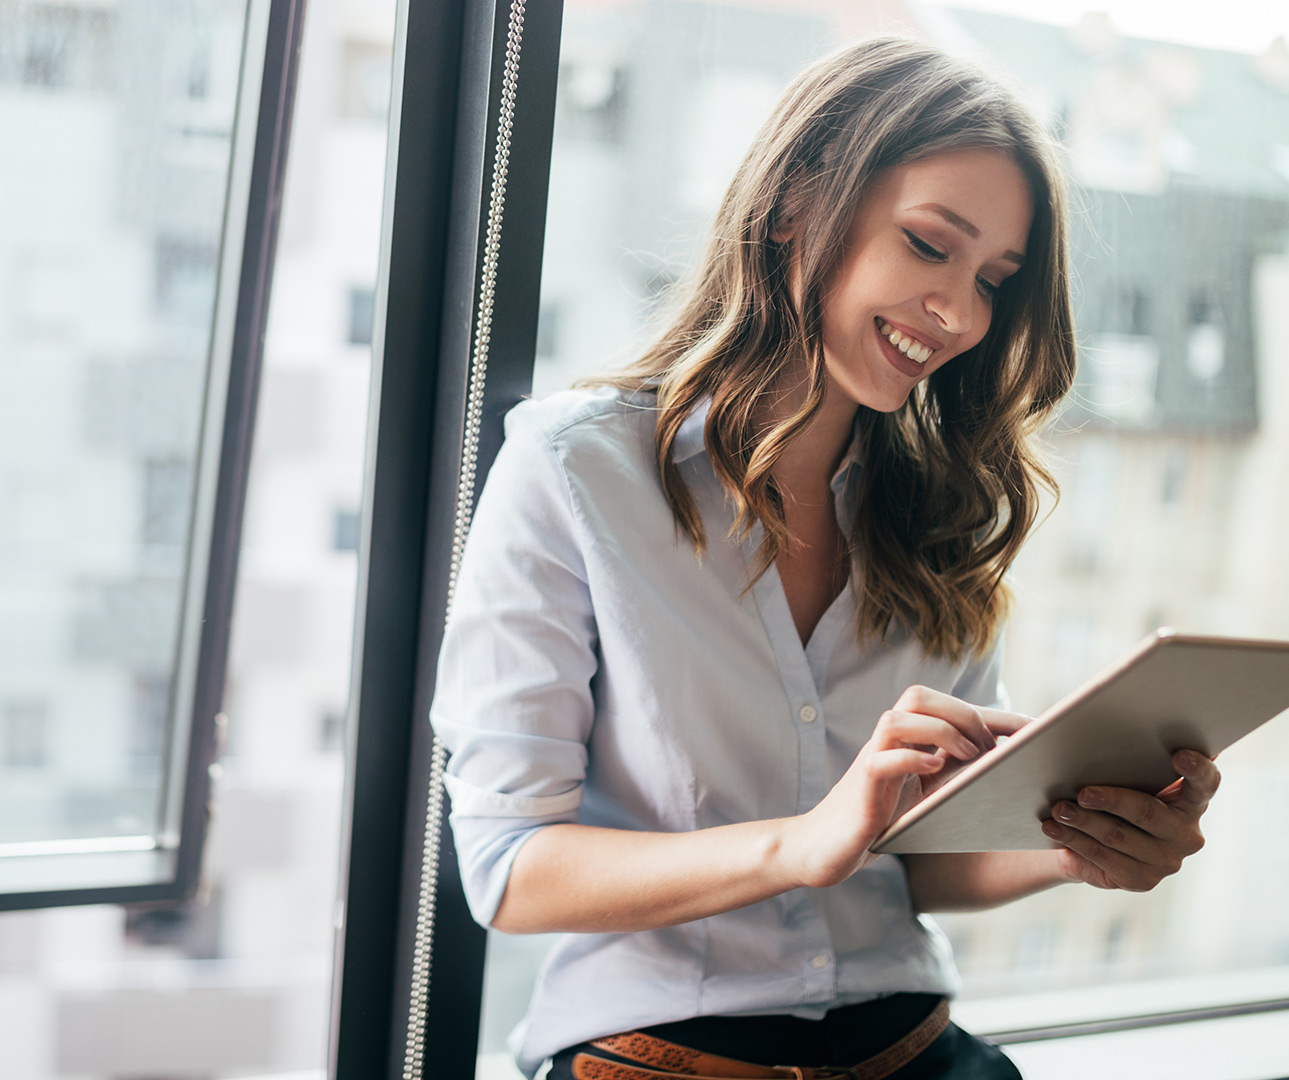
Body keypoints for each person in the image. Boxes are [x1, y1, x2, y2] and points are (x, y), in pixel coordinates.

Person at [430, 35, 1219, 1080]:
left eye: (993, 279)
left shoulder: (938, 509)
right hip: (659, 1053)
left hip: (921, 1051)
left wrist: (1081, 849)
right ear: (799, 202)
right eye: (930, 246)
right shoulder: (575, 471)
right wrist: (803, 840)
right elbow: (508, 868)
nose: (961, 314)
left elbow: (920, 863)